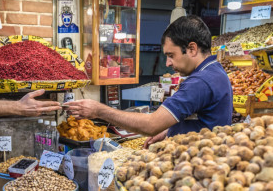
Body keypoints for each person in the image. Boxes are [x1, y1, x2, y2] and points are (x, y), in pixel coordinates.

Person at [66, 16, 233, 148]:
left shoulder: (200, 82)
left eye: (171, 55)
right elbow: (203, 122)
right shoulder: (214, 70)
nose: (167, 63)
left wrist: (99, 110)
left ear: (192, 49)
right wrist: (171, 130)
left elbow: (151, 125)